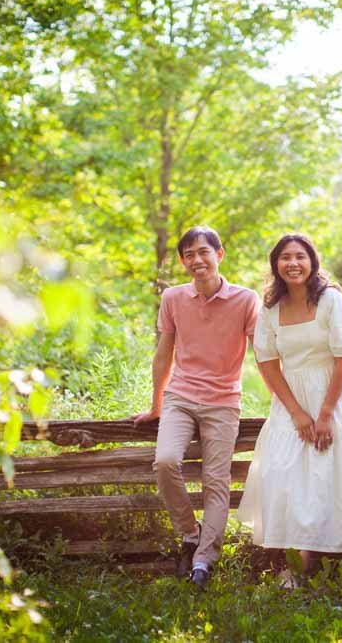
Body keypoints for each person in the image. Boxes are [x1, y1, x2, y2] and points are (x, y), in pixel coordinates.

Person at [129, 226, 259, 590]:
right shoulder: (173, 298)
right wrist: (156, 404)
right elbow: (163, 354)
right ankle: (190, 534)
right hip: (180, 398)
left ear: (220, 255)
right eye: (188, 254)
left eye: (203, 252)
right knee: (166, 461)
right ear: (183, 261)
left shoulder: (246, 300)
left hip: (223, 403)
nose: (196, 260)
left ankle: (204, 559)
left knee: (215, 482)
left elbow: (265, 354)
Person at [236, 233, 342, 586]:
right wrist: (296, 412)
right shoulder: (271, 308)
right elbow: (266, 362)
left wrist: (324, 415)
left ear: (312, 262)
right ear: (275, 265)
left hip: (333, 399)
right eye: (285, 257)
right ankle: (289, 560)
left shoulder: (331, 302)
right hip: (290, 400)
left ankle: (300, 569)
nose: (292, 263)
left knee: (319, 478)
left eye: (300, 256)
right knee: (282, 473)